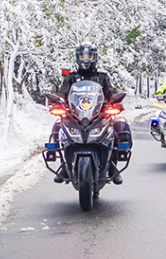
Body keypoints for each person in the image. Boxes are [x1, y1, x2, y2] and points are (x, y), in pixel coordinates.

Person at [50, 43, 131, 184]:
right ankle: (64, 164)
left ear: (95, 57)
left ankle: (113, 166)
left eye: (89, 56)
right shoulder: (71, 77)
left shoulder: (102, 77)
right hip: (75, 115)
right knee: (58, 126)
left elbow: (110, 92)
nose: (86, 60)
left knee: (119, 126)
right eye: (82, 56)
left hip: (99, 115)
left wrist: (115, 102)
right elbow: (63, 92)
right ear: (77, 58)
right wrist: (58, 101)